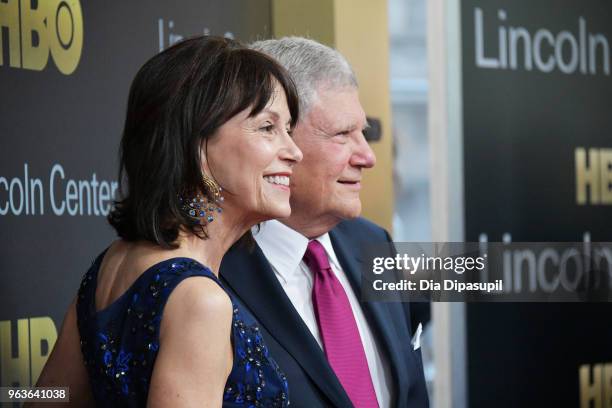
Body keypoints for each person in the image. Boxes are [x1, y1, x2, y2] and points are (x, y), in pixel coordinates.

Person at [30, 36, 303, 407]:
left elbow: (45, 398)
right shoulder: (200, 300)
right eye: (268, 128)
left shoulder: (111, 263)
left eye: (289, 129)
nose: (294, 151)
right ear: (198, 146)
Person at [220, 37, 429, 408]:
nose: (367, 156)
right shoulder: (212, 269)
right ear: (277, 136)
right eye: (342, 135)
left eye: (363, 133)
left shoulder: (374, 243)